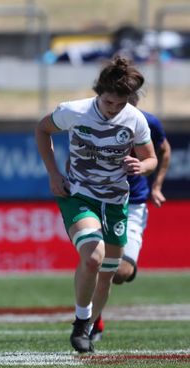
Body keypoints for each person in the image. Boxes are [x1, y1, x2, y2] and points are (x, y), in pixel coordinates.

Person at [35, 55, 157, 353]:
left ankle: (90, 325)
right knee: (93, 257)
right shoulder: (73, 111)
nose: (113, 110)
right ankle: (80, 321)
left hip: (115, 201)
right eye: (108, 103)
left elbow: (151, 157)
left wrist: (142, 167)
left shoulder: (136, 119)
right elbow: (42, 130)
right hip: (79, 194)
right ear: (98, 94)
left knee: (109, 274)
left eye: (120, 104)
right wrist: (54, 174)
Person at [90, 91, 171, 342]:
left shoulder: (148, 122)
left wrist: (156, 186)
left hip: (132, 204)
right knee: (96, 260)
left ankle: (95, 312)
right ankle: (93, 322)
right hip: (98, 200)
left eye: (127, 98)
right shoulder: (90, 120)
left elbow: (164, 151)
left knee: (120, 272)